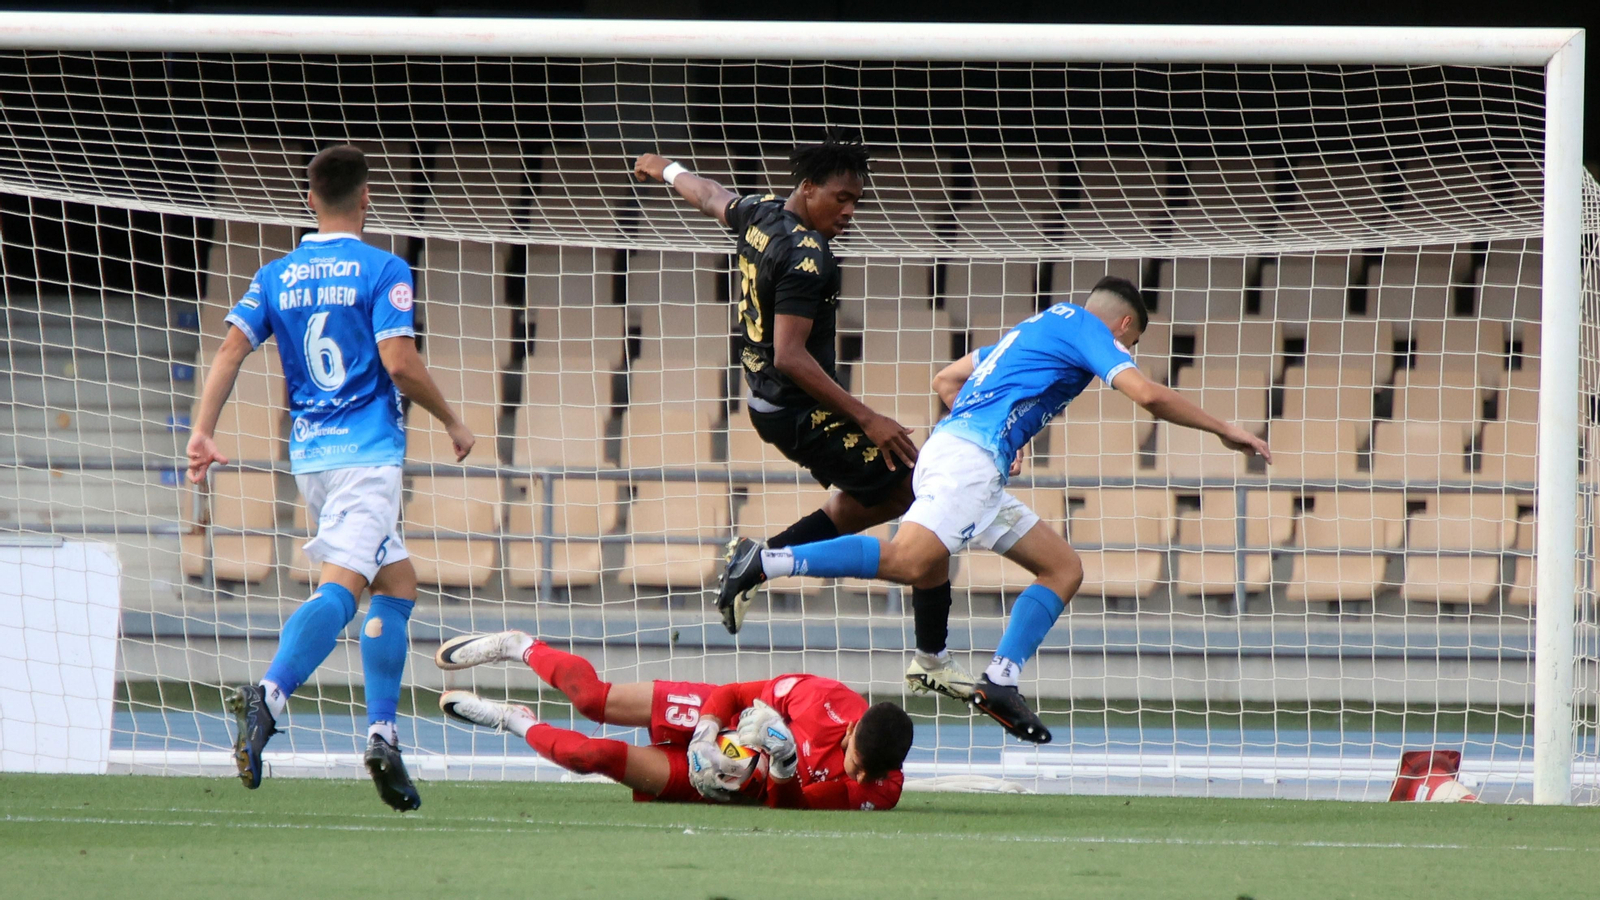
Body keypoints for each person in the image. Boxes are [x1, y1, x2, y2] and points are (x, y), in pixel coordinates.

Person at [715, 277, 1272, 743]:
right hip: (969, 463)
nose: (1128, 353)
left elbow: (947, 380)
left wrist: (1004, 436)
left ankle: (998, 678)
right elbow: (1147, 395)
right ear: (1124, 327)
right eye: (1132, 344)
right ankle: (767, 562)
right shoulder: (1087, 329)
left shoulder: (1033, 327)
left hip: (962, 453)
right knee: (911, 560)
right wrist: (1224, 428)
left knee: (1063, 568)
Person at [631, 132, 972, 704]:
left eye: (857, 201)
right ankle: (773, 565)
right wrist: (868, 417)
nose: (849, 211)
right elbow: (791, 355)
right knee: (920, 487)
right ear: (808, 188)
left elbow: (711, 194)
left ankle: (769, 562)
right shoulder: (809, 257)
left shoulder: (761, 214)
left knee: (888, 495)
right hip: (797, 408)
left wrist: (665, 168)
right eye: (841, 198)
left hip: (768, 402)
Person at [186, 144, 476, 811]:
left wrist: (203, 430)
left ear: (310, 200)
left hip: (311, 457)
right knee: (344, 587)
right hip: (367, 458)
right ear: (367, 197)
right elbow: (398, 362)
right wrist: (455, 421)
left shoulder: (277, 273)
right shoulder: (384, 268)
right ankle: (270, 695)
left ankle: (382, 736)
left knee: (396, 583)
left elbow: (230, 349)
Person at [435, 630, 913, 810]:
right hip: (718, 720)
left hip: (730, 779)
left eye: (872, 773)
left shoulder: (878, 788)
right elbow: (730, 693)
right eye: (856, 762)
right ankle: (518, 646)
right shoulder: (817, 698)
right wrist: (707, 733)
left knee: (590, 755)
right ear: (851, 729)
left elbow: (789, 809)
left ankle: (513, 720)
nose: (861, 776)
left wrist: (784, 763)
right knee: (591, 701)